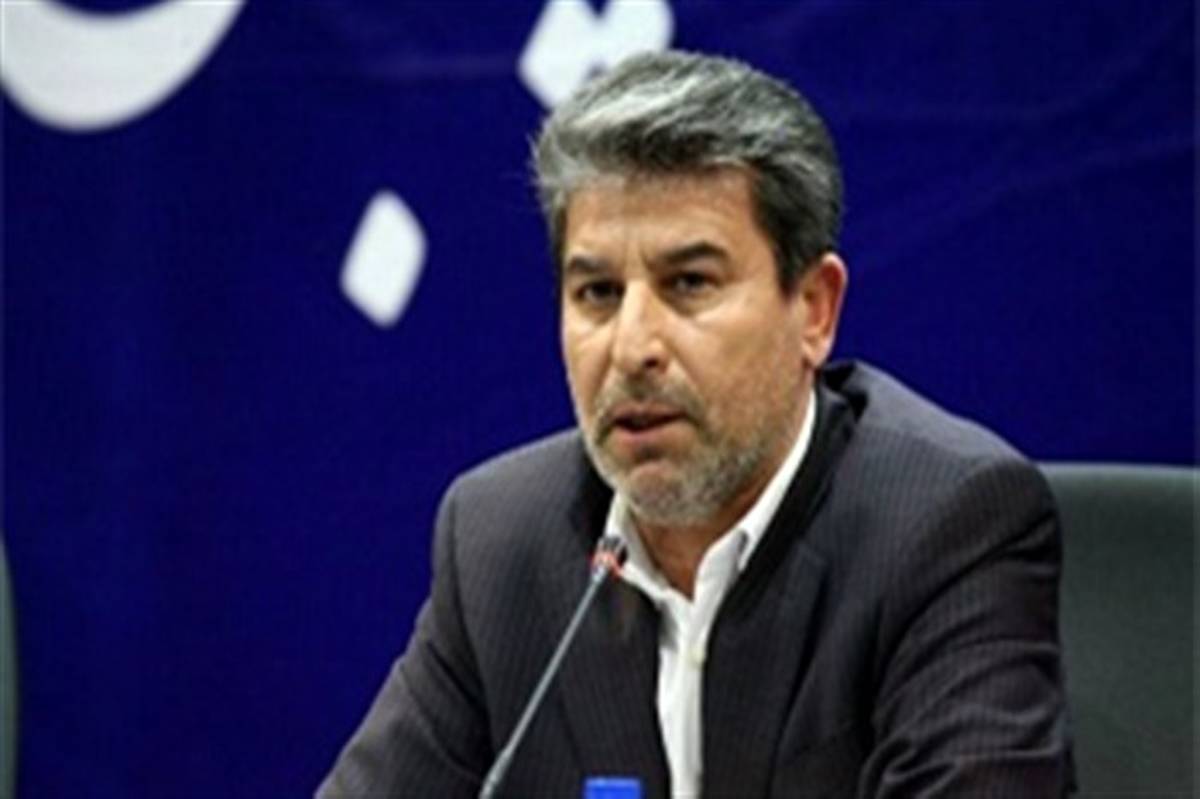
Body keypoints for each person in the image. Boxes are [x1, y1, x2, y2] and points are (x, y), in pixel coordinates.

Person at [318, 50, 1074, 797]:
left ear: (814, 309)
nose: (633, 347)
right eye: (598, 293)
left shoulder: (944, 526)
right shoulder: (502, 541)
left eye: (688, 283)